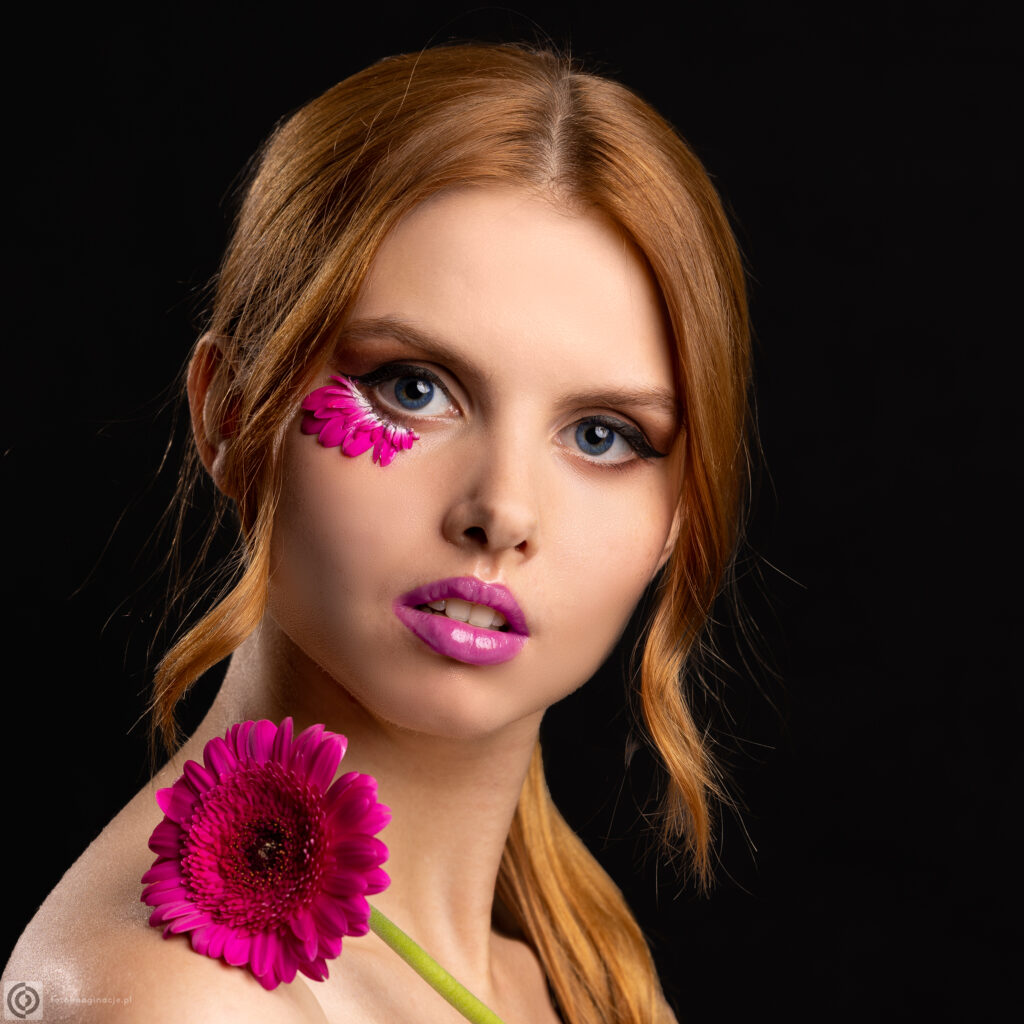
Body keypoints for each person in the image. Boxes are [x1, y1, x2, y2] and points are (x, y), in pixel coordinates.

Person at [4, 42, 751, 1022]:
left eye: (602, 436)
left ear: (678, 518)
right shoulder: (173, 1001)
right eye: (414, 388)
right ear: (231, 415)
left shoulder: (564, 980)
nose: (501, 510)